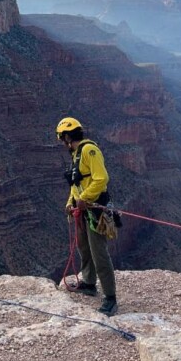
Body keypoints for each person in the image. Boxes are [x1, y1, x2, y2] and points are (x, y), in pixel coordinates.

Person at [56, 117, 118, 317]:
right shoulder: (75, 154)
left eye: (62, 138)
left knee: (98, 252)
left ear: (67, 136)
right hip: (82, 210)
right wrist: (71, 202)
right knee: (84, 248)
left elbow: (101, 178)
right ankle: (89, 283)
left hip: (95, 210)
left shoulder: (89, 151)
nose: (62, 142)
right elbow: (76, 185)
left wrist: (84, 198)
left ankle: (110, 298)